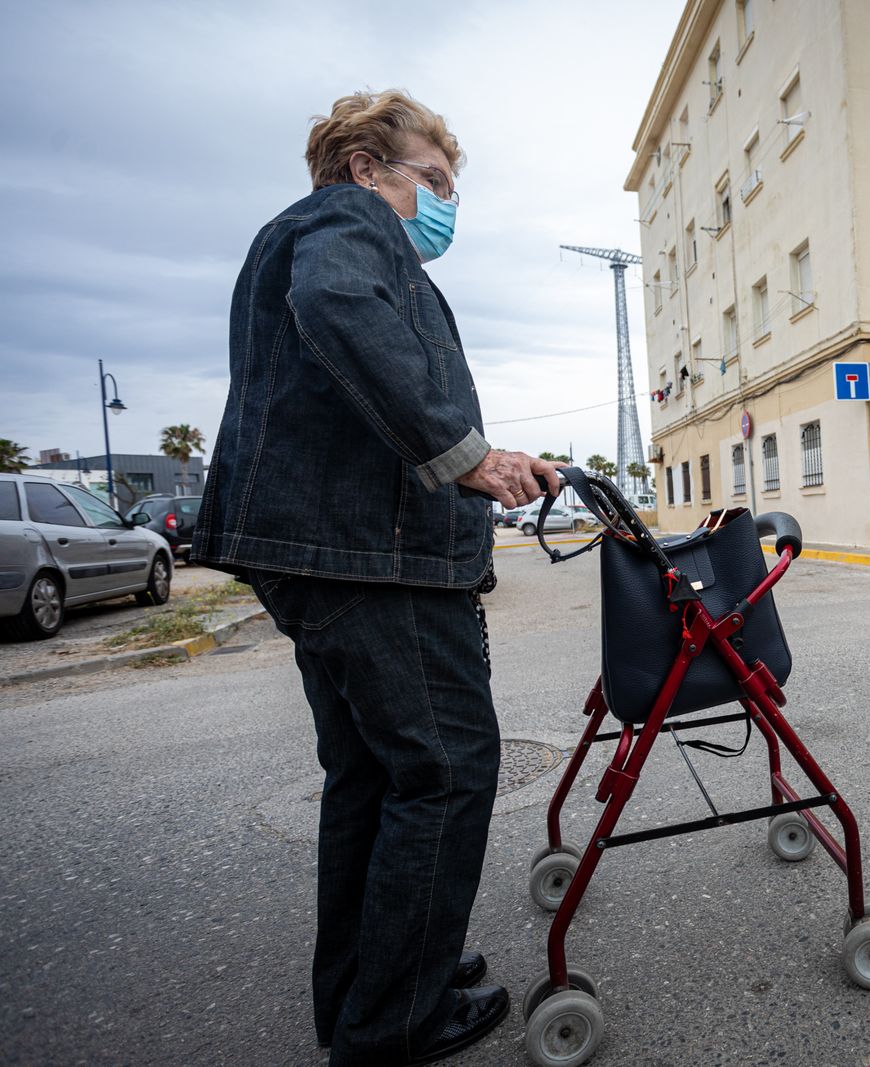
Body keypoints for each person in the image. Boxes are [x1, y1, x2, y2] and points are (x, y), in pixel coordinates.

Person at [192, 90, 563, 1065]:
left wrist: (492, 458)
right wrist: (464, 453)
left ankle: (376, 987)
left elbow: (361, 379)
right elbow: (337, 309)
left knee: (372, 775)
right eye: (432, 179)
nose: (446, 203)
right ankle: (394, 1023)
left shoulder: (320, 235)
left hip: (329, 548)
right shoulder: (351, 223)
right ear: (366, 167)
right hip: (371, 556)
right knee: (445, 768)